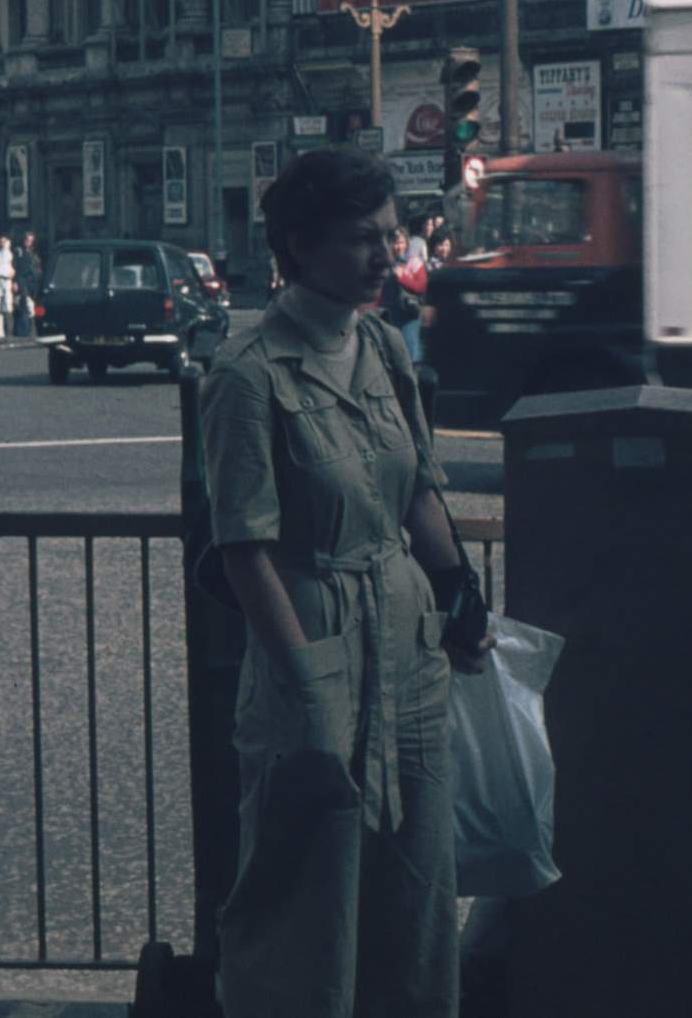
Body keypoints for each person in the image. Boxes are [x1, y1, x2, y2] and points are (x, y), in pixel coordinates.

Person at [200, 147, 494, 1018]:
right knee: (307, 903)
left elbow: (417, 490)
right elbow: (244, 549)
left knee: (416, 892)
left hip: (407, 651)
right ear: (301, 244)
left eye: (390, 234)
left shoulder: (380, 347)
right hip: (315, 650)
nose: (385, 254)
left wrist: (458, 587)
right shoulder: (248, 372)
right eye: (364, 237)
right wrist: (305, 684)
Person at [383, 225, 427, 364]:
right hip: (390, 313)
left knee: (410, 351)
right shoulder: (386, 263)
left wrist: (403, 278)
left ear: (407, 243)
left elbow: (421, 286)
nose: (398, 246)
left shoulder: (415, 262)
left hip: (409, 314)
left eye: (401, 242)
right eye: (395, 243)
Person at [16, 234, 44, 336]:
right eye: (27, 240)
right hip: (24, 282)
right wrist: (16, 282)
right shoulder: (20, 253)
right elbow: (18, 269)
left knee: (35, 306)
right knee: (26, 305)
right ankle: (25, 331)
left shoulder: (35, 254)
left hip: (34, 283)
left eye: (30, 240)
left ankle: (34, 329)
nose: (28, 242)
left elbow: (38, 268)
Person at [0, 235, 15, 344]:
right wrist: (7, 274)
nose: (3, 244)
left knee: (8, 307)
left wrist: (11, 273)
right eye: (1, 242)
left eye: (4, 242)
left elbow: (11, 268)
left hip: (7, 283)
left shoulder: (9, 254)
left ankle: (9, 332)